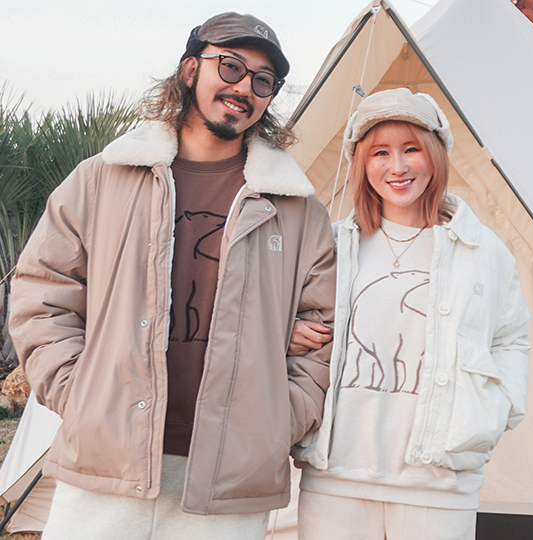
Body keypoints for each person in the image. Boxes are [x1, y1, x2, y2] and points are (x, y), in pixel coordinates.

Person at [9, 12, 336, 540]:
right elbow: (42, 291)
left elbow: (323, 332)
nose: (244, 88)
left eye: (263, 80)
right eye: (230, 66)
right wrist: (80, 394)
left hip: (230, 478)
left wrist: (278, 423)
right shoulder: (103, 179)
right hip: (107, 461)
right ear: (189, 70)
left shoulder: (298, 210)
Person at [289, 88, 530, 540]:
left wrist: (497, 410)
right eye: (380, 152)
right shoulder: (331, 244)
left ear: (435, 155)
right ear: (362, 162)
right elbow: (280, 315)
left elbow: (511, 338)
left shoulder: (483, 249)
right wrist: (287, 332)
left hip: (440, 484)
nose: (397, 167)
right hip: (336, 476)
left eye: (411, 149)